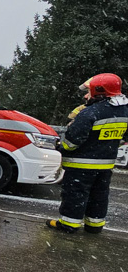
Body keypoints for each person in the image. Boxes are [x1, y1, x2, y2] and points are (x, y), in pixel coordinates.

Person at [47, 73, 128, 233]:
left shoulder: (89, 113)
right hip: (106, 164)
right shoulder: (124, 111)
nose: (85, 95)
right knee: (99, 195)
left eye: (89, 92)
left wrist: (60, 147)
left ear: (100, 92)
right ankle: (94, 225)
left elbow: (72, 142)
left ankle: (69, 225)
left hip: (81, 164)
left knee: (75, 194)